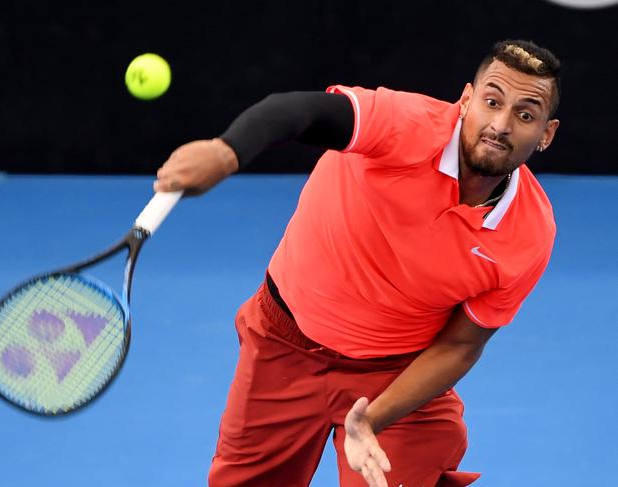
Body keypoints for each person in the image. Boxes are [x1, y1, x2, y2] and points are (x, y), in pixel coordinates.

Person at [153, 39, 561, 487]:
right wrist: (226, 152)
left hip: (396, 375)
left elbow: (460, 346)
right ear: (466, 100)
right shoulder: (404, 123)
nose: (500, 125)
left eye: (525, 114)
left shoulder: (528, 232)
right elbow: (300, 111)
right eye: (491, 101)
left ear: (546, 133)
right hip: (284, 347)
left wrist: (372, 418)